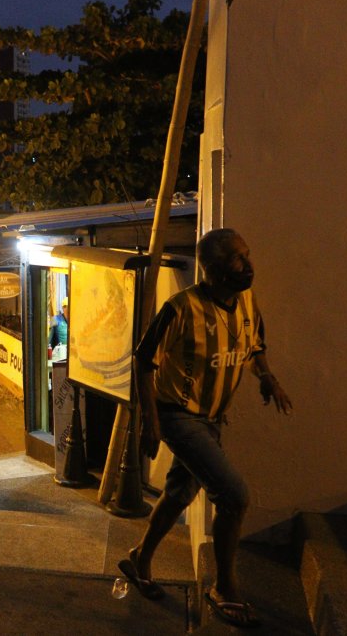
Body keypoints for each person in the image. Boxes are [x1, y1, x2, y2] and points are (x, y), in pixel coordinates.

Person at [120, 229, 292, 630]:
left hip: (212, 419)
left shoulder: (247, 303)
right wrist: (150, 421)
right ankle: (225, 587)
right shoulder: (181, 309)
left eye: (248, 255)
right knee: (233, 496)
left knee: (181, 490)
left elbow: (256, 347)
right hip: (179, 415)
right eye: (237, 259)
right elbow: (144, 362)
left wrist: (268, 378)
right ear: (212, 270)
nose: (248, 265)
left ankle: (141, 558)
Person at [48, 296, 69, 361]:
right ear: (62, 308)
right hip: (60, 356)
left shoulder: (76, 321)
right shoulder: (55, 319)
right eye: (65, 307)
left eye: (68, 306)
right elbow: (49, 340)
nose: (67, 309)